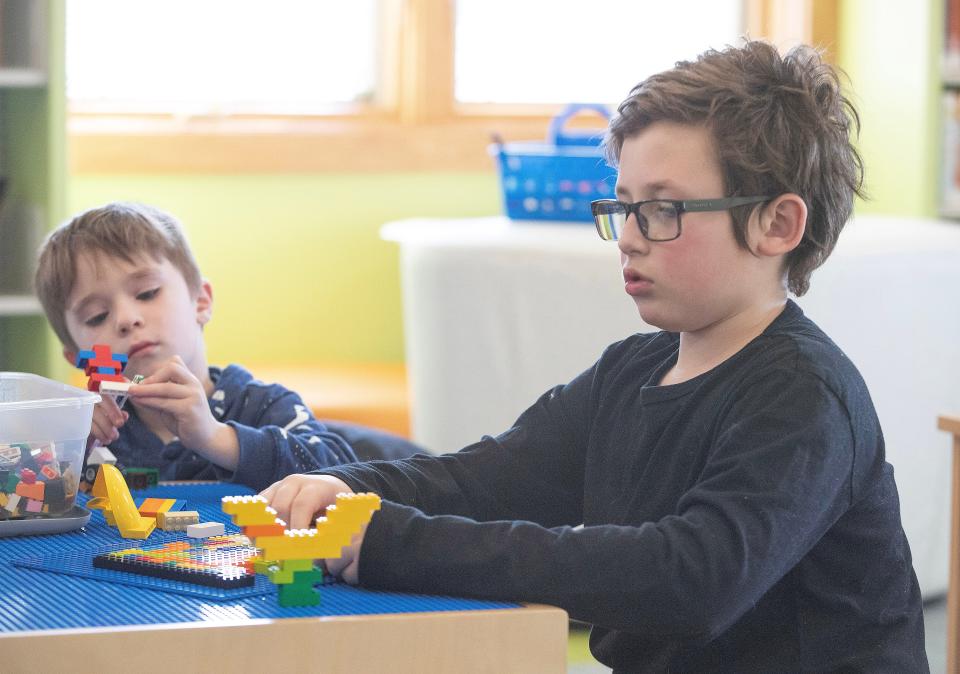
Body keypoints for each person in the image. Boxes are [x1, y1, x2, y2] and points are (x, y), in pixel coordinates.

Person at [260, 40, 928, 672]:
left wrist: (389, 543)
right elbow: (484, 478)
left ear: (777, 225)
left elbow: (687, 580)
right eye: (624, 207)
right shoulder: (630, 371)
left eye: (662, 210)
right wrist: (350, 490)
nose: (629, 239)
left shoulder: (804, 396)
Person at [34, 202, 421, 492]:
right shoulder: (78, 431)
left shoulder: (264, 406)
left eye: (147, 292)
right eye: (97, 316)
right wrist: (69, 452)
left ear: (200, 302)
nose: (125, 318)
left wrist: (215, 437)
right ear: (75, 356)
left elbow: (343, 474)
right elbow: (21, 506)